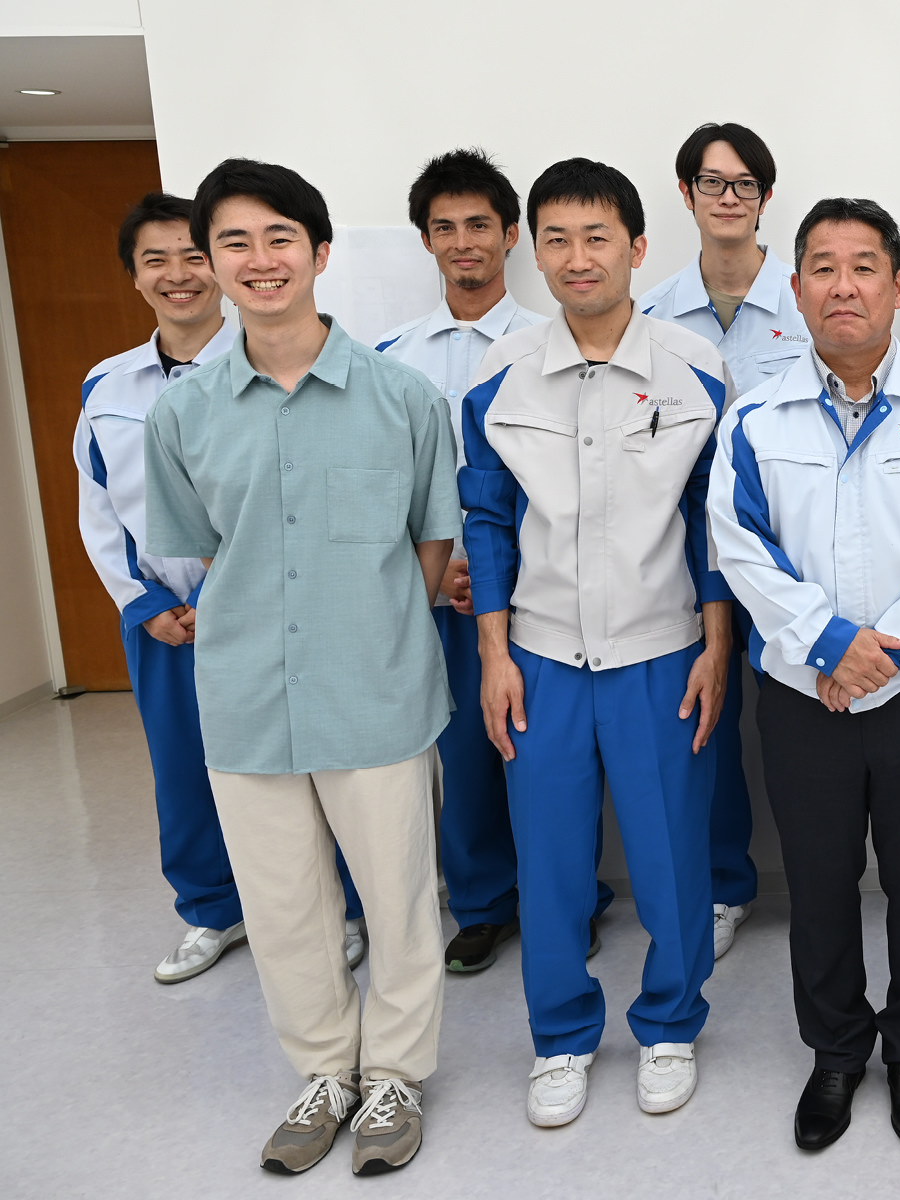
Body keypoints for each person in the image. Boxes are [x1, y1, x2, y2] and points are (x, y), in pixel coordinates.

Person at [144, 159, 459, 1175]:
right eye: (233, 242)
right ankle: (326, 1070)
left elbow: (430, 547)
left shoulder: (403, 398)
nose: (259, 259)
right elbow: (204, 552)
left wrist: (371, 632)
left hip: (377, 690)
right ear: (211, 263)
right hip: (246, 699)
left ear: (319, 253)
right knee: (284, 909)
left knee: (400, 900)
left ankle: (396, 1072)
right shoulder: (182, 415)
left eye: (279, 237)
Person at [708, 197, 900, 1151]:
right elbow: (740, 546)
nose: (844, 286)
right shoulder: (754, 418)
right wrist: (830, 646)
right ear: (796, 290)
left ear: (898, 286)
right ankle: (835, 1050)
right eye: (823, 268)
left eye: (864, 266)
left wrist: (883, 653)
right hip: (804, 695)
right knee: (820, 882)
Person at [461, 158, 732, 1127]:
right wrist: (494, 655)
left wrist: (715, 647)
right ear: (534, 253)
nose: (578, 258)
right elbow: (486, 521)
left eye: (598, 238)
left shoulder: (698, 373)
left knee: (670, 858)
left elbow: (713, 522)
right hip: (538, 657)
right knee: (551, 865)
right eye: (558, 241)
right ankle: (562, 1038)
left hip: (662, 653)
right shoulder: (497, 377)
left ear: (637, 247)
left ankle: (670, 1023)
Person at [76, 193, 370, 984]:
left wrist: (226, 600)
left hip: (270, 616)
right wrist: (144, 605)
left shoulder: (276, 370)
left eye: (192, 257)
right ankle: (213, 909)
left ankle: (340, 909)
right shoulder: (107, 388)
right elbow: (99, 507)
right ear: (134, 276)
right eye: (156, 260)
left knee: (305, 769)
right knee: (183, 772)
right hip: (164, 624)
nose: (178, 275)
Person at [636, 122, 807, 961]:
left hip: (788, 552)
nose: (729, 198)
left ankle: (817, 879)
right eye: (712, 183)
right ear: (687, 194)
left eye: (745, 184)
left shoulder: (808, 302)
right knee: (702, 721)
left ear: (766, 196)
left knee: (801, 722)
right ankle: (724, 885)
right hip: (687, 551)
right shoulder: (651, 315)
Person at [376, 148, 546, 975]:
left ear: (510, 235)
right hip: (439, 591)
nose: (463, 242)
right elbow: (386, 481)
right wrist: (438, 565)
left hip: (535, 587)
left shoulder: (549, 342)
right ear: (426, 241)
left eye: (479, 224)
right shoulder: (390, 356)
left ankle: (561, 900)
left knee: (544, 757)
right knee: (467, 757)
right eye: (444, 228)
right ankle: (481, 904)